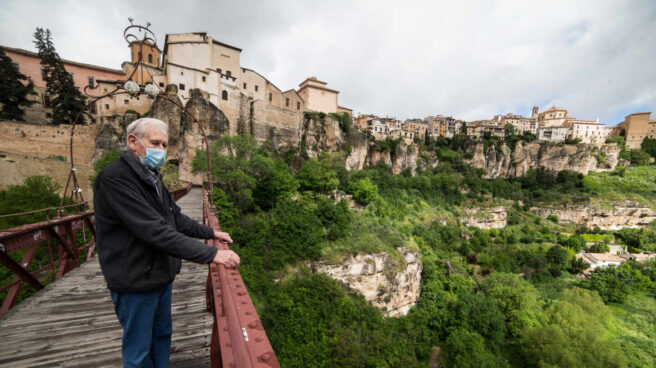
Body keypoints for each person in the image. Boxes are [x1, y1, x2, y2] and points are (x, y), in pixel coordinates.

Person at [93, 117, 240, 368]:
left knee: (162, 337)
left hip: (160, 276)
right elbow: (155, 231)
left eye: (164, 144)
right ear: (133, 142)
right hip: (135, 280)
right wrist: (212, 254)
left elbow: (175, 218)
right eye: (155, 143)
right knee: (138, 351)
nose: (160, 150)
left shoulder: (152, 176)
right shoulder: (115, 179)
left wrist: (210, 233)